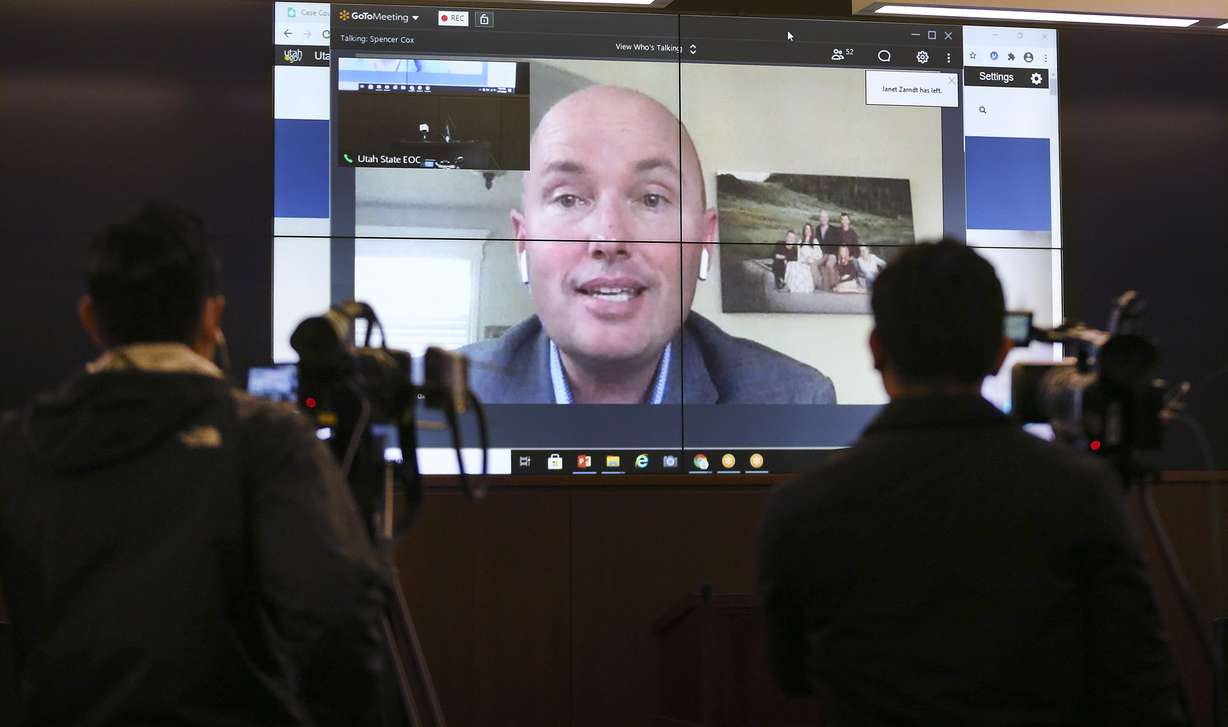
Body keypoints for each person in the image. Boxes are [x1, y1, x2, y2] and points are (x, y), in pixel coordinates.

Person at [756, 241, 1188, 726]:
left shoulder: (799, 507)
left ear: (876, 350)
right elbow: (1139, 685)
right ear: (1001, 352)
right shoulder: (1079, 491)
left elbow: (793, 674)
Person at [0, 205, 387, 726]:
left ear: (90, 318)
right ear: (212, 315)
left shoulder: (17, 443)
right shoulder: (266, 438)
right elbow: (337, 618)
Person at [463, 85, 836, 405]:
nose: (610, 239)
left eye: (652, 199)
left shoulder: (796, 402)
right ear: (523, 242)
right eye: (568, 199)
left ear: (705, 241)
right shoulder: (438, 402)